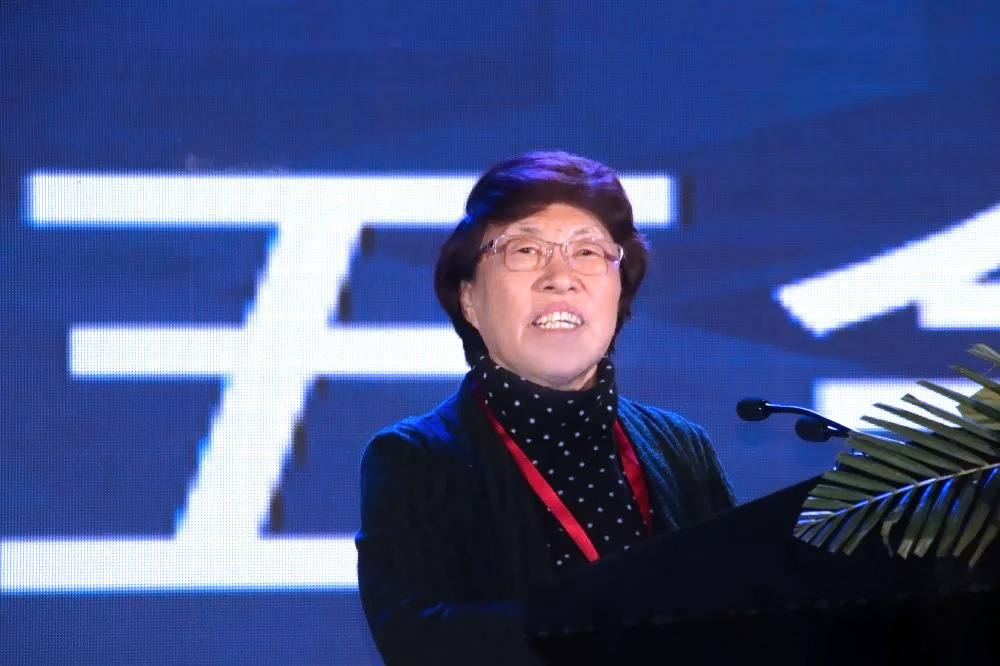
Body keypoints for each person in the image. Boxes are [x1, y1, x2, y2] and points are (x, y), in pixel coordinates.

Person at [355, 151, 735, 665]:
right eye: (526, 250)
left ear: (620, 291)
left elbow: (743, 608)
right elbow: (418, 640)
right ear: (469, 299)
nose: (561, 277)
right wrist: (612, 618)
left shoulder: (679, 445)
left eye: (587, 252)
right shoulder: (415, 458)